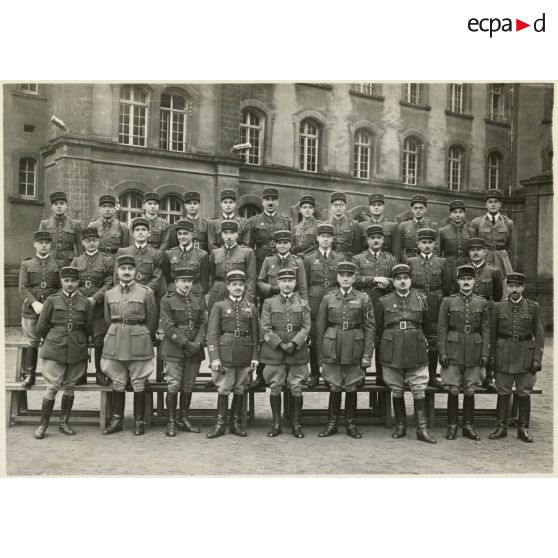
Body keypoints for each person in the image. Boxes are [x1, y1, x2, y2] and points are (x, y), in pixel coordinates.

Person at [375, 264, 436, 444]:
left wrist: (431, 349)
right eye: (398, 279)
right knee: (396, 387)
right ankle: (400, 425)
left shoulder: (422, 299)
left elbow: (430, 328)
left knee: (419, 386)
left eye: (405, 278)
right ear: (393, 282)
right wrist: (380, 352)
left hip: (415, 346)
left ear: (411, 280)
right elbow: (378, 330)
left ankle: (421, 428)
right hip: (391, 347)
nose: (402, 281)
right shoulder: (383, 301)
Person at [316, 261, 375, 439]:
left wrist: (367, 355)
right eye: (342, 276)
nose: (346, 279)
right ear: (337, 278)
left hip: (354, 345)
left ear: (354, 278)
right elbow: (320, 328)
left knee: (351, 386)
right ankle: (332, 424)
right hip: (332, 345)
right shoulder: (328, 298)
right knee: (334, 385)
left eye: (349, 276)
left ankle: (351, 424)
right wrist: (320, 356)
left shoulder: (363, 298)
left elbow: (370, 328)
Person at [34, 267, 93, 439]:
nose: (70, 284)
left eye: (73, 281)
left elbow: (88, 327)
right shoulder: (52, 301)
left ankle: (63, 423)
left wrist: (78, 339)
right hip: (54, 348)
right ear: (61, 281)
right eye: (66, 280)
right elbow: (41, 327)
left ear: (78, 282)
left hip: (76, 347)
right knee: (52, 387)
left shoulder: (85, 302)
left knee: (69, 386)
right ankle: (43, 425)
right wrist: (54, 338)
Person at [102, 255, 158, 436]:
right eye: (123, 269)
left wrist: (142, 333)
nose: (126, 272)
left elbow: (152, 320)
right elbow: (107, 318)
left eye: (130, 269)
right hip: (116, 337)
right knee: (117, 379)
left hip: (138, 338)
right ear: (117, 272)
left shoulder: (146, 292)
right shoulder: (109, 294)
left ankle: (139, 421)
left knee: (139, 380)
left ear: (135, 272)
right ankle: (117, 420)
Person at [488, 272, 545, 443]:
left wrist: (537, 359)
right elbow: (492, 334)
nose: (514, 289)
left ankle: (523, 428)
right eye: (511, 286)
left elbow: (540, 336)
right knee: (503, 390)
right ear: (507, 287)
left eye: (517, 286)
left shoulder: (533, 307)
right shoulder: (498, 307)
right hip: (503, 352)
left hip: (524, 354)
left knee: (524, 391)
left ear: (523, 287)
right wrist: (492, 357)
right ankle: (501, 427)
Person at [437, 265, 490, 440]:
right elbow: (442, 329)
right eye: (463, 279)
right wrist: (442, 352)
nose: (466, 282)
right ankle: (452, 425)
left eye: (469, 279)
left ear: (474, 281)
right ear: (458, 281)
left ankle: (468, 426)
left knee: (470, 390)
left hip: (474, 349)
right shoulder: (448, 301)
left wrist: (484, 353)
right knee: (453, 389)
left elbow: (486, 330)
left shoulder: (481, 302)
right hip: (453, 349)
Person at [206, 270, 259, 438]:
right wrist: (214, 358)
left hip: (244, 352)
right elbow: (212, 334)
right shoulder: (219, 306)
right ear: (228, 286)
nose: (238, 288)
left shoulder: (250, 307)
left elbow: (255, 335)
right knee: (224, 388)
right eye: (234, 284)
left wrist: (255, 357)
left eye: (241, 285)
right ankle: (220, 424)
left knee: (240, 388)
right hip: (225, 353)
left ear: (244, 287)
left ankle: (235, 422)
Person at [260, 268, 311, 438]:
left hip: (297, 351)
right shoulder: (269, 303)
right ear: (278, 283)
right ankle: (276, 424)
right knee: (275, 386)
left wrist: (295, 343)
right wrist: (280, 344)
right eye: (284, 281)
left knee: (296, 387)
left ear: (295, 283)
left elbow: (306, 327)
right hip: (275, 352)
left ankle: (296, 424)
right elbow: (265, 328)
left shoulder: (303, 303)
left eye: (290, 281)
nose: (287, 284)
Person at [159, 267, 208, 437]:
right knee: (173, 385)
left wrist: (198, 342)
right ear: (176, 283)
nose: (186, 284)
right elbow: (167, 327)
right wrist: (186, 343)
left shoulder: (198, 300)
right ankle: (172, 421)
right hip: (174, 349)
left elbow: (203, 323)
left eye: (189, 281)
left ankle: (184, 418)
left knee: (188, 385)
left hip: (194, 349)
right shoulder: (167, 300)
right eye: (183, 281)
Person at [352, 224, 396, 387]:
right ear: (367, 240)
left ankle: (381, 375)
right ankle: (360, 374)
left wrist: (389, 282)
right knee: (364, 338)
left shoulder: (390, 258)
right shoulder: (358, 258)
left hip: (385, 304)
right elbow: (354, 279)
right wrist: (375, 279)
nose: (376, 240)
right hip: (365, 302)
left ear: (383, 239)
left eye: (379, 238)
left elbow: (397, 279)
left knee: (383, 339)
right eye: (372, 238)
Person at [407, 228, 450, 388]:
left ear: (434, 245)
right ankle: (412, 375)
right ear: (418, 244)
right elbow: (407, 283)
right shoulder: (411, 261)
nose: (426, 246)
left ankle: (432, 376)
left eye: (430, 243)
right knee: (413, 337)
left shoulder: (442, 262)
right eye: (423, 242)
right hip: (416, 301)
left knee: (433, 340)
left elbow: (446, 285)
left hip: (435, 302)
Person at [303, 223, 346, 387]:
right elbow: (304, 284)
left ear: (333, 239)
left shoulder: (339, 258)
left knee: (332, 339)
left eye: (329, 237)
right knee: (314, 340)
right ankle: (314, 374)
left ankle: (330, 374)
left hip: (334, 302)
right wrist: (306, 304)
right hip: (314, 303)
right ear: (317, 238)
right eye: (323, 236)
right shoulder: (309, 258)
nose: (326, 239)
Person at [19, 231, 63, 388]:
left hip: (52, 309)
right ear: (35, 244)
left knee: (54, 339)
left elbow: (60, 287)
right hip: (33, 310)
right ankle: (30, 374)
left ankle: (55, 374)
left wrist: (51, 304)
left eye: (46, 242)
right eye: (41, 242)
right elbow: (23, 288)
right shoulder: (26, 264)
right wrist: (35, 303)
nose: (44, 245)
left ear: (50, 245)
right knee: (33, 341)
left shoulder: (58, 264)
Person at [70, 227, 114, 386]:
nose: (91, 243)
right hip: (81, 306)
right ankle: (80, 373)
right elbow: (72, 282)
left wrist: (95, 298)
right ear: (82, 242)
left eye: (94, 240)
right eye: (88, 241)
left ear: (98, 241)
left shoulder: (107, 260)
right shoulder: (76, 260)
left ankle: (99, 373)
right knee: (80, 338)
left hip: (99, 307)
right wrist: (83, 300)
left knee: (99, 341)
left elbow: (109, 282)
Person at [468, 237, 504, 389]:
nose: (475, 253)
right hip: (469, 309)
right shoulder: (464, 269)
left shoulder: (493, 271)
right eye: (472, 250)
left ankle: (488, 377)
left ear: (485, 252)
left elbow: (497, 295)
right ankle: (470, 374)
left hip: (487, 311)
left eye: (478, 250)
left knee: (488, 341)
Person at [208, 220, 256, 311]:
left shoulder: (247, 252)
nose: (229, 236)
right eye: (225, 233)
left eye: (232, 233)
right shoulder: (215, 252)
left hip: (239, 292)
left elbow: (251, 278)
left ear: (237, 235)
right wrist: (211, 294)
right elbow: (212, 276)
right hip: (218, 293)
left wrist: (248, 297)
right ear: (221, 235)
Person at [114, 217, 164, 304]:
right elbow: (117, 277)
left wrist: (144, 293)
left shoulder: (156, 254)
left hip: (148, 297)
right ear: (133, 234)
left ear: (149, 233)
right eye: (137, 230)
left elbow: (157, 278)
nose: (140, 232)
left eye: (143, 229)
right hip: (125, 296)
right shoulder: (123, 252)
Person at [244, 187, 291, 274]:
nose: (270, 203)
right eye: (267, 199)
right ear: (263, 202)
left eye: (273, 200)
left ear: (277, 202)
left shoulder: (285, 221)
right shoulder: (253, 221)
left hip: (281, 260)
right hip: (260, 261)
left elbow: (289, 244)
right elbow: (249, 247)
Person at [471, 189, 514, 280]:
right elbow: (473, 244)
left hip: (501, 259)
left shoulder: (508, 223)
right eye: (490, 202)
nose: (493, 204)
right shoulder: (477, 222)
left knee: (502, 286)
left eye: (496, 202)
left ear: (500, 204)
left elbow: (509, 244)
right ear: (486, 204)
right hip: (484, 258)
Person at [257, 229, 308, 301]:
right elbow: (260, 283)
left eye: (285, 243)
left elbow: (303, 286)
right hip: (272, 300)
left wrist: (304, 303)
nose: (282, 246)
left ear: (290, 244)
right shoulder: (268, 260)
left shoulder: (297, 262)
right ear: (275, 244)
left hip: (293, 301)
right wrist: (271, 288)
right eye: (279, 243)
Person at [164, 219, 210, 296]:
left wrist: (198, 295)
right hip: (174, 295)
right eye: (179, 234)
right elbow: (167, 279)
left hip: (195, 295)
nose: (182, 237)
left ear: (192, 235)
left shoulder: (202, 255)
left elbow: (204, 282)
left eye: (185, 234)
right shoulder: (169, 254)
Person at [439, 200, 475, 293]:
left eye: (460, 212)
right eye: (454, 212)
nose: (458, 215)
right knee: (449, 290)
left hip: (466, 264)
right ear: (450, 215)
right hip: (449, 266)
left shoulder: (471, 231)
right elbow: (438, 253)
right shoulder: (443, 231)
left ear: (464, 214)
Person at [39, 191, 83, 265]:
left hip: (69, 262)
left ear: (66, 205)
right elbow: (40, 247)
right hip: (50, 261)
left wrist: (80, 264)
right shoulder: (45, 224)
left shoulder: (76, 224)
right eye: (55, 204)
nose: (59, 206)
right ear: (51, 207)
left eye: (62, 203)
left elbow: (80, 247)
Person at [396, 194, 439, 263]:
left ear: (425, 209)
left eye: (421, 208)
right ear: (412, 210)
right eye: (415, 208)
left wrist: (429, 260)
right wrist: (406, 260)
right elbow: (399, 247)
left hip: (427, 260)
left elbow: (436, 248)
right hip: (408, 260)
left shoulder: (433, 226)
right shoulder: (403, 225)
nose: (418, 210)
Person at [88, 194, 130, 260]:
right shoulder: (93, 225)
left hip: (115, 259)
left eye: (110, 206)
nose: (107, 209)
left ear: (114, 209)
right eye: (104, 206)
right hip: (97, 259)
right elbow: (88, 246)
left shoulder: (122, 226)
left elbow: (125, 249)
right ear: (99, 209)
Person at [324, 191, 361, 260]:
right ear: (331, 207)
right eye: (335, 205)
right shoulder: (325, 224)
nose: (338, 208)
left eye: (341, 205)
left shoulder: (354, 224)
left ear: (345, 207)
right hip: (330, 259)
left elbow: (357, 247)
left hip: (348, 260)